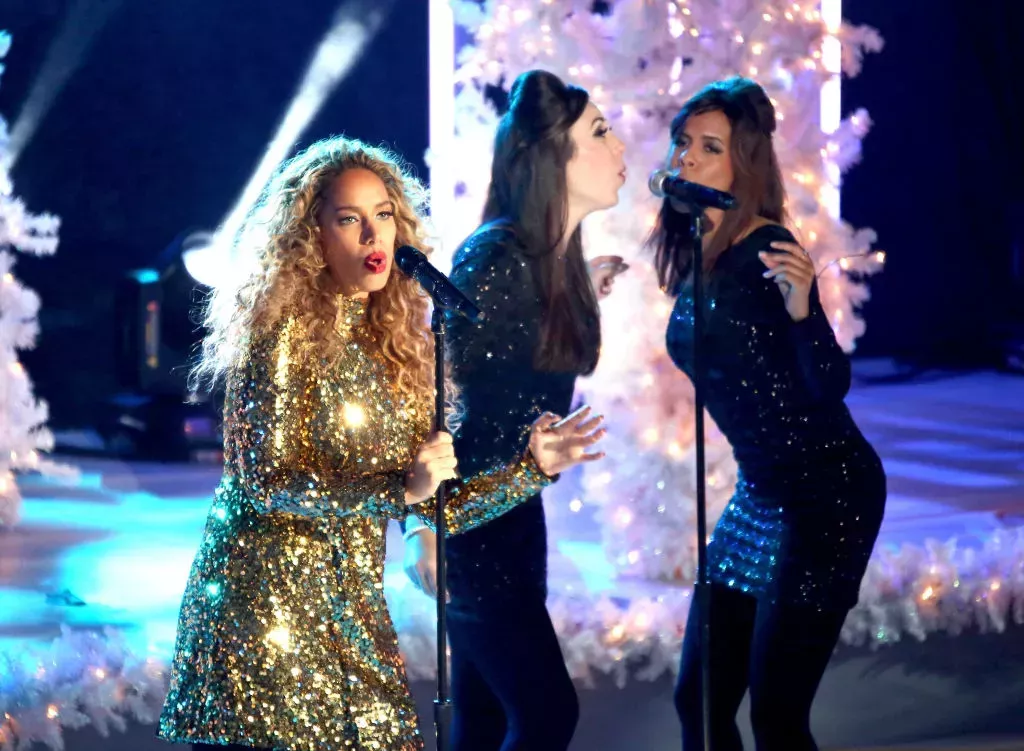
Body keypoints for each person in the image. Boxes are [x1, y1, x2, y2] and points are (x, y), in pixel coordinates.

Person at [156, 136, 604, 751]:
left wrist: (532, 469)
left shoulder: (396, 348)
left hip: (350, 607)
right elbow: (265, 481)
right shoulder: (280, 335)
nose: (374, 237)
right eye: (349, 219)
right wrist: (401, 489)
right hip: (265, 611)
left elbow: (428, 503)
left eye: (384, 216)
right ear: (309, 236)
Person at [654, 77, 887, 751]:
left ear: (744, 162)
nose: (687, 158)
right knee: (698, 699)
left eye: (710, 147)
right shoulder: (701, 246)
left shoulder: (765, 248)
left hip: (826, 494)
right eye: (683, 143)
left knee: (777, 715)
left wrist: (804, 311)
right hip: (761, 493)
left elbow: (829, 383)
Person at [402, 68, 627, 751]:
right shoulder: (496, 259)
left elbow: (510, 369)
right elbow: (423, 388)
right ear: (552, 156)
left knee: (487, 716)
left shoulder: (548, 262)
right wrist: (417, 524)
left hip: (516, 523)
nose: (620, 147)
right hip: (469, 536)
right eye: (599, 132)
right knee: (546, 713)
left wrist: (576, 289)